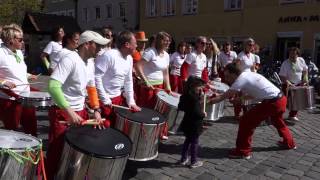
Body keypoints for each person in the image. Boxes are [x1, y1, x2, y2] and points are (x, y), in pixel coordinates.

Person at [46, 30, 108, 179]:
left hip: (80, 112)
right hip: (62, 112)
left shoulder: (91, 63)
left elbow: (91, 87)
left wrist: (96, 109)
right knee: (56, 153)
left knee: (76, 153)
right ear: (86, 44)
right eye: (98, 45)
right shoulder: (69, 59)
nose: (101, 49)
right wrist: (69, 112)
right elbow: (53, 86)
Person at [208, 63, 296, 159]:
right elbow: (255, 94)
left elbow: (224, 96)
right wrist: (241, 99)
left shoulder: (240, 79)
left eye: (228, 76)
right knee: (278, 121)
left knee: (246, 121)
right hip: (281, 99)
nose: (227, 79)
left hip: (273, 103)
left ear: (234, 74)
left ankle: (243, 151)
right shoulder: (249, 74)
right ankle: (290, 143)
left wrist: (208, 102)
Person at [95, 31, 141, 125]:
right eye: (135, 43)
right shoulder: (109, 55)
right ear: (127, 44)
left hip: (117, 99)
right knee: (105, 130)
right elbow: (96, 77)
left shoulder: (129, 59)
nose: (136, 45)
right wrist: (105, 99)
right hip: (103, 100)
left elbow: (128, 81)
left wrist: (131, 102)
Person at [0, 23, 39, 136]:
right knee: (11, 132)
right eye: (21, 39)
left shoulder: (18, 53)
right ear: (10, 40)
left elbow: (16, 71)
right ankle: (10, 153)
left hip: (26, 97)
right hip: (10, 99)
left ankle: (32, 153)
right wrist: (4, 82)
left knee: (31, 130)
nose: (23, 42)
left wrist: (28, 75)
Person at [135, 31, 172, 109]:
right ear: (159, 41)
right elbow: (137, 66)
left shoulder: (166, 55)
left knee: (157, 109)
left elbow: (165, 72)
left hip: (160, 87)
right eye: (165, 40)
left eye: (169, 41)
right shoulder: (150, 52)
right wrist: (146, 82)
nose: (168, 43)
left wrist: (168, 86)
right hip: (148, 87)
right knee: (146, 109)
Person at [178, 76, 206, 168]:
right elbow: (197, 113)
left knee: (187, 141)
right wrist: (203, 114)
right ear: (193, 86)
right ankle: (194, 161)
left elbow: (181, 107)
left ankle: (183, 159)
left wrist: (199, 97)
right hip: (195, 124)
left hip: (186, 123)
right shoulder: (194, 99)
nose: (201, 88)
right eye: (199, 86)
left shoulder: (184, 96)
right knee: (194, 143)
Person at [279, 47, 308, 121]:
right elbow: (282, 76)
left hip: (298, 83)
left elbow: (305, 70)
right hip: (288, 84)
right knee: (284, 101)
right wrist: (288, 83)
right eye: (290, 54)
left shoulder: (301, 60)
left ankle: (292, 115)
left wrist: (305, 78)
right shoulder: (285, 63)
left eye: (293, 54)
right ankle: (278, 115)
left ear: (297, 55)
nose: (291, 55)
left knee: (296, 101)